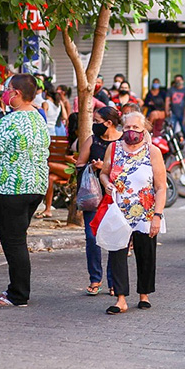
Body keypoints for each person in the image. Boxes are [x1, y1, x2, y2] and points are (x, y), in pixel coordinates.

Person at [0, 74, 50, 307]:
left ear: (16, 93)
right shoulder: (38, 118)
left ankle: (18, 294)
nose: (3, 93)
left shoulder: (8, 122)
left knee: (14, 242)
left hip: (9, 190)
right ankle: (17, 290)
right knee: (16, 239)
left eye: (7, 89)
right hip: (35, 187)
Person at [99, 112, 167, 314]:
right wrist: (106, 184)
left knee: (146, 253)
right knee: (117, 252)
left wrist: (158, 215)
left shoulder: (152, 151)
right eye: (127, 128)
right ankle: (120, 299)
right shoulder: (113, 148)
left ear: (144, 129)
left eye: (135, 128)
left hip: (146, 212)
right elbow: (104, 172)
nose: (131, 132)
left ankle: (144, 294)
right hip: (119, 211)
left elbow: (161, 187)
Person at [75, 107, 122, 296]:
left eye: (97, 121)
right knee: (91, 237)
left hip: (116, 198)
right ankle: (95, 278)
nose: (94, 125)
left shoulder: (123, 141)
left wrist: (107, 168)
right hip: (93, 198)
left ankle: (113, 281)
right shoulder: (92, 140)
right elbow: (79, 164)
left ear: (109, 123)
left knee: (114, 239)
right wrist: (92, 168)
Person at [166, 75, 185, 148]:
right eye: (176, 80)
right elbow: (167, 100)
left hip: (182, 113)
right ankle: (173, 146)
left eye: (179, 80)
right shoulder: (171, 90)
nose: (178, 82)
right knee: (171, 130)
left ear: (183, 81)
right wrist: (166, 110)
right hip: (173, 113)